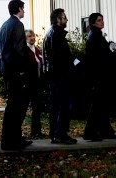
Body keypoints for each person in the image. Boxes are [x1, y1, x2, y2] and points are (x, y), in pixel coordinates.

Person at [0, 0, 29, 150]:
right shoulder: (18, 24)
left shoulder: (5, 25)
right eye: (23, 8)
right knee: (16, 107)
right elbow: (19, 49)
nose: (24, 11)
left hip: (7, 70)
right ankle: (12, 140)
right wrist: (22, 69)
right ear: (19, 8)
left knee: (12, 106)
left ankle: (12, 138)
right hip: (16, 71)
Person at [43, 8, 77, 145]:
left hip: (54, 76)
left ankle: (55, 134)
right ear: (58, 19)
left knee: (56, 105)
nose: (66, 19)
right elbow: (62, 58)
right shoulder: (56, 36)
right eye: (64, 17)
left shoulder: (50, 34)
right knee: (64, 105)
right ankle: (60, 134)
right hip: (59, 76)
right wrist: (76, 64)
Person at [83, 12, 116, 141]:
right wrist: (110, 50)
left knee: (101, 104)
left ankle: (105, 130)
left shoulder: (94, 35)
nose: (102, 22)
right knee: (99, 104)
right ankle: (91, 132)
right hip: (99, 75)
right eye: (99, 20)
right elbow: (100, 56)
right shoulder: (96, 36)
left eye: (102, 20)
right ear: (93, 23)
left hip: (98, 75)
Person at [23, 29, 45, 139]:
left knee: (37, 109)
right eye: (29, 36)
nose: (32, 38)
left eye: (33, 36)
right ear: (25, 38)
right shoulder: (24, 51)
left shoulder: (37, 51)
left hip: (38, 84)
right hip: (28, 85)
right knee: (24, 109)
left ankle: (37, 131)